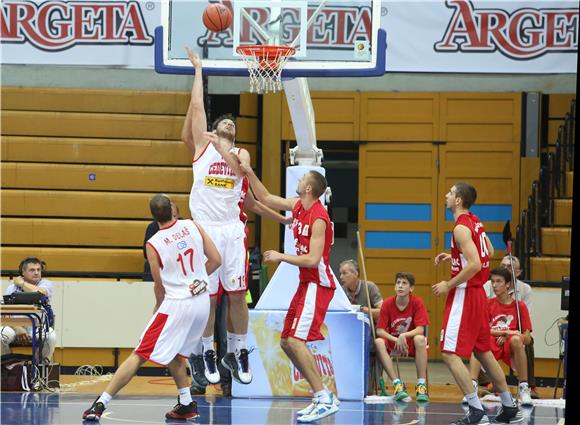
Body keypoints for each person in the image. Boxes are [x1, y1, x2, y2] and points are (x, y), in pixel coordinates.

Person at [182, 47, 288, 389]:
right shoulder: (201, 148)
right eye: (224, 121)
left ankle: (239, 351)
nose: (230, 122)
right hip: (205, 231)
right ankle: (206, 351)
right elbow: (197, 108)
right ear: (213, 128)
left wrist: (221, 144)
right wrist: (198, 70)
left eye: (233, 123)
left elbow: (238, 169)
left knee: (236, 294)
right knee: (208, 298)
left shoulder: (239, 152)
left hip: (231, 231)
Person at [82, 194, 221, 421]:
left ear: (153, 216)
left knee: (140, 352)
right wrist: (197, 281)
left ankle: (100, 403)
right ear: (173, 209)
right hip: (202, 302)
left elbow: (159, 286)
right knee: (176, 352)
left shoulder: (154, 243)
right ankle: (186, 404)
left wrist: (158, 307)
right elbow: (216, 259)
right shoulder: (192, 225)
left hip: (177, 304)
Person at [241, 163, 339, 423]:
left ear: (308, 188)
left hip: (318, 285)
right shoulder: (298, 205)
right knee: (286, 342)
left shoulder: (319, 217)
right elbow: (265, 198)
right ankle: (320, 396)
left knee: (296, 341)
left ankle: (324, 396)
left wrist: (280, 256)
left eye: (303, 178)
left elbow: (313, 259)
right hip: (306, 285)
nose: (299, 179)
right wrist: (249, 171)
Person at [432, 182, 522, 425]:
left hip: (465, 294)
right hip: (479, 296)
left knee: (449, 353)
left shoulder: (461, 228)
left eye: (450, 192)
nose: (447, 195)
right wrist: (455, 256)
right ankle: (509, 406)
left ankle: (475, 410)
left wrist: (449, 284)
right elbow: (489, 252)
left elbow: (474, 264)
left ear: (459, 200)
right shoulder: (476, 221)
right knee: (483, 352)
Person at [472, 255, 538, 399]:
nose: (494, 285)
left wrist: (510, 335)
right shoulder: (488, 303)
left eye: (499, 282)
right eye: (492, 281)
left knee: (517, 340)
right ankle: (473, 387)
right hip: (493, 338)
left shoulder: (520, 305)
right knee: (478, 340)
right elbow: (481, 329)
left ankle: (525, 387)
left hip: (511, 340)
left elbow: (526, 338)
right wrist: (505, 332)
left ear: (508, 284)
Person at [375, 272, 430, 402]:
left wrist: (403, 335)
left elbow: (420, 329)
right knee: (378, 342)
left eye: (404, 283)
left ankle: (421, 385)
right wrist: (396, 339)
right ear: (395, 287)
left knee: (420, 338)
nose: (400, 286)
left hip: (410, 343)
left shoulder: (417, 302)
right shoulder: (388, 303)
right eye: (398, 283)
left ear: (411, 288)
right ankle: (397, 385)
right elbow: (380, 331)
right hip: (393, 342)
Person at [1, 257, 57, 363]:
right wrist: (17, 327)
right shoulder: (11, 288)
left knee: (51, 337)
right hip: (14, 326)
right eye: (32, 270)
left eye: (38, 270)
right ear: (23, 272)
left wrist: (21, 284)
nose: (36, 273)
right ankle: (7, 367)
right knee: (1, 335)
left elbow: (41, 294)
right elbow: (5, 313)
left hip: (37, 327)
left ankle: (39, 367)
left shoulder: (46, 284)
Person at [143, 202, 179, 281]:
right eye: (169, 217)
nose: (171, 220)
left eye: (174, 216)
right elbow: (146, 253)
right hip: (161, 261)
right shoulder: (153, 226)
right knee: (149, 264)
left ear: (178, 216)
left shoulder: (184, 226)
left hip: (178, 261)